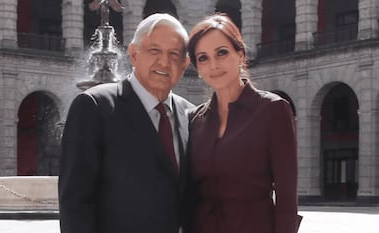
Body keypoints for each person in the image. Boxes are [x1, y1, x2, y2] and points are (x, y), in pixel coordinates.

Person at [58, 13, 194, 233]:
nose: (164, 61)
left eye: (174, 54)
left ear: (185, 63)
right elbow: (75, 202)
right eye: (154, 51)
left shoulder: (191, 114)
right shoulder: (94, 106)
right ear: (133, 54)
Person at [187, 14, 299, 233]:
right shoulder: (195, 119)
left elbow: (287, 198)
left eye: (222, 52)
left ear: (240, 55)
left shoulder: (273, 110)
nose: (214, 65)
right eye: (203, 58)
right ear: (197, 69)